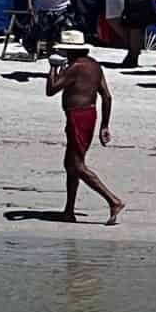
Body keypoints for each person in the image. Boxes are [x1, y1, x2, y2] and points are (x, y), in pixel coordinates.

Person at [45, 30, 123, 224]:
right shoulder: (94, 65)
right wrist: (104, 125)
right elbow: (107, 96)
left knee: (77, 165)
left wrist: (53, 68)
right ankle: (69, 210)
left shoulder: (76, 67)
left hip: (77, 117)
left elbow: (51, 90)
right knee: (71, 165)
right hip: (89, 114)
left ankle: (113, 200)